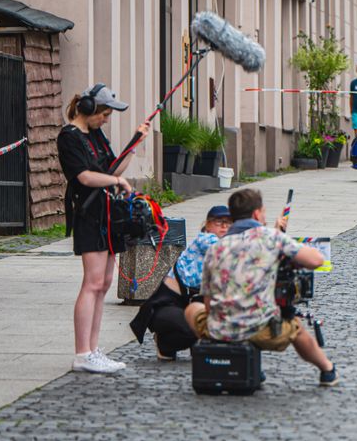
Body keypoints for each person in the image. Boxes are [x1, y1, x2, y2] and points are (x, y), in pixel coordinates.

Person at [184, 188, 338, 387]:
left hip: (220, 330)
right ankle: (327, 370)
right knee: (296, 327)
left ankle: (227, 353)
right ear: (257, 213)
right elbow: (316, 260)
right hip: (261, 330)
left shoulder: (216, 248)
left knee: (191, 309)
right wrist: (284, 241)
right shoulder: (270, 237)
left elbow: (207, 301)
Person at [57, 84, 149, 374]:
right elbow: (84, 177)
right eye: (104, 114)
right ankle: (82, 352)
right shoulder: (69, 138)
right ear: (87, 109)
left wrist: (135, 143)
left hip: (108, 215)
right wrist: (115, 182)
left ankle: (93, 350)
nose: (106, 120)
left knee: (104, 283)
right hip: (88, 215)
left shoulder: (95, 135)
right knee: (92, 283)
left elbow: (112, 169)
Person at [129, 205, 233, 361]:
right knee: (196, 328)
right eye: (219, 222)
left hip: (193, 302)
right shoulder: (205, 240)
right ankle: (164, 342)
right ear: (208, 225)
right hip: (167, 303)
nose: (224, 226)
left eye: (228, 222)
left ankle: (196, 346)